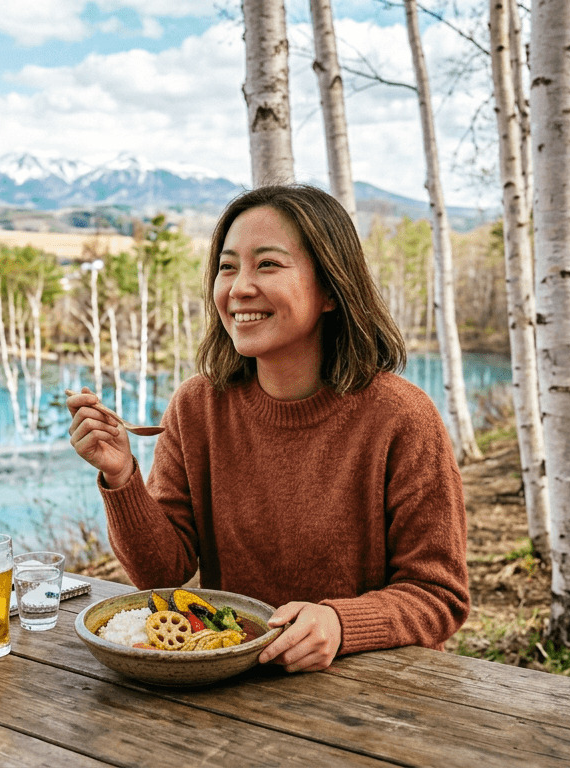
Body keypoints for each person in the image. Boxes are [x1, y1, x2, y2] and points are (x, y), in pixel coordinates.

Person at [66, 185, 469, 673]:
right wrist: (121, 475)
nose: (238, 289)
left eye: (268, 265)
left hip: (374, 692)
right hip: (233, 685)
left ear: (330, 289)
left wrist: (341, 624)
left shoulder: (402, 417)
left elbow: (439, 594)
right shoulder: (198, 406)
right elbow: (163, 574)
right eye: (228, 266)